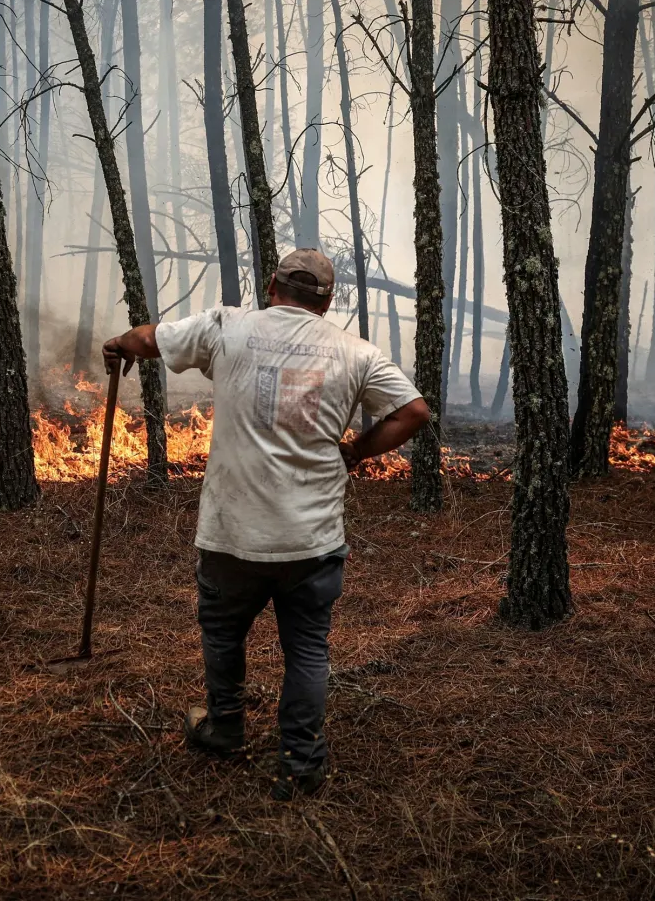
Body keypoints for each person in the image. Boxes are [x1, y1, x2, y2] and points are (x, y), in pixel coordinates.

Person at [103, 249, 430, 800]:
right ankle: (302, 763)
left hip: (234, 533)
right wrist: (356, 452)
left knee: (224, 633)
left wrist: (119, 343)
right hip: (311, 538)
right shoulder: (357, 354)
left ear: (272, 284)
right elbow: (414, 411)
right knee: (307, 649)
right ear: (326, 301)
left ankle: (225, 727)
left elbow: (150, 338)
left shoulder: (228, 327)